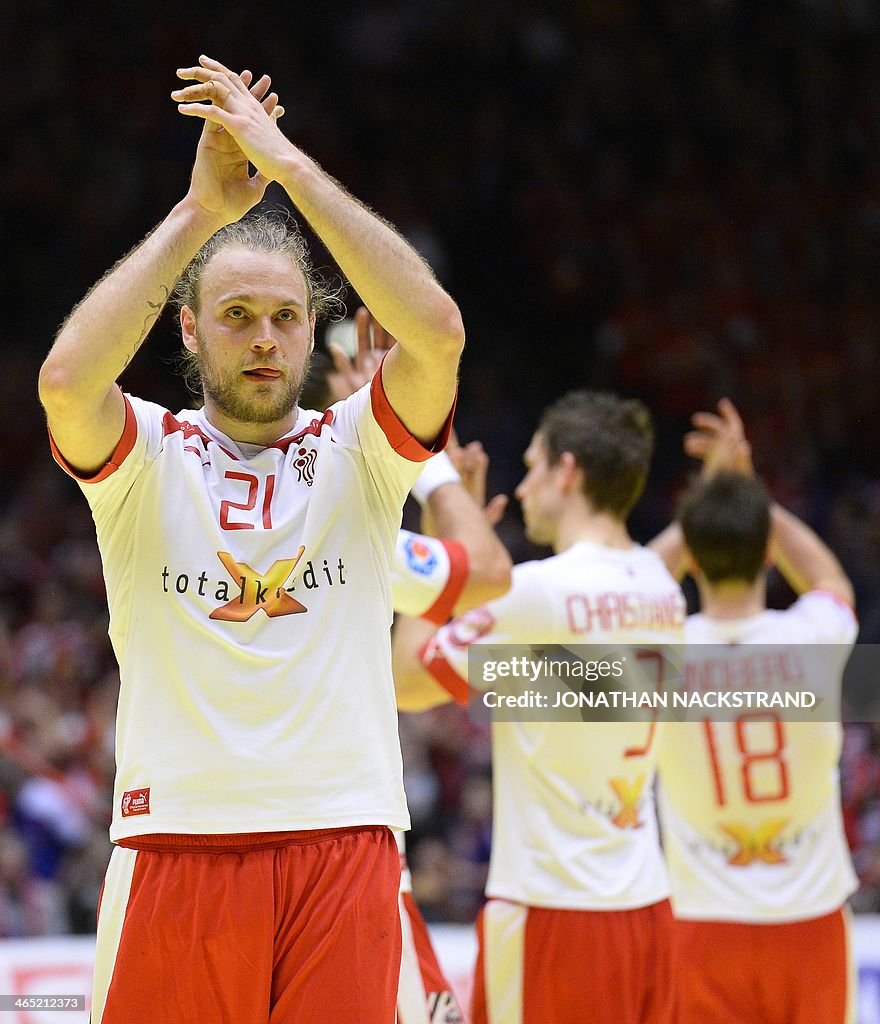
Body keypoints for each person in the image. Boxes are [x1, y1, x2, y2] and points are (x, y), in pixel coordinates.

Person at [38, 56, 465, 1024]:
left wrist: (292, 169)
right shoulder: (144, 454)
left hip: (344, 835)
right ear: (187, 329)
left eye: (284, 317)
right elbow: (65, 384)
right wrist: (199, 215)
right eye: (236, 316)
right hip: (178, 839)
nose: (264, 337)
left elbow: (435, 332)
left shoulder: (363, 448)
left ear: (314, 333)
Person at [392, 390, 687, 1024]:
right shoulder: (663, 587)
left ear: (568, 471)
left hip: (555, 910)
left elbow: (407, 679)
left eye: (532, 466)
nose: (522, 488)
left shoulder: (540, 594)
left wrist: (448, 535)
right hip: (649, 904)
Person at [303, 310, 512, 1023]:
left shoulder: (205, 505)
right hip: (348, 871)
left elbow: (410, 672)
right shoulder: (353, 537)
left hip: (257, 859)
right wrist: (429, 460)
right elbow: (483, 575)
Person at [649, 399, 859, 1024]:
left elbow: (631, 583)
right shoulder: (814, 637)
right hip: (810, 921)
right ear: (767, 553)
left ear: (694, 558)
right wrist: (746, 489)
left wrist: (708, 505)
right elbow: (831, 582)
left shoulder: (659, 658)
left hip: (703, 923)